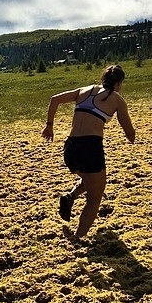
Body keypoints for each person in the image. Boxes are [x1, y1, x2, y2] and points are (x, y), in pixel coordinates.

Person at [42, 64, 135, 238]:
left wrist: (49, 126)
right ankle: (79, 238)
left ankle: (70, 197)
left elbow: (54, 99)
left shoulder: (85, 90)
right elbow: (129, 132)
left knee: (93, 180)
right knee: (95, 198)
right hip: (90, 147)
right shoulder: (117, 99)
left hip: (70, 147)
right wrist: (132, 138)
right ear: (119, 83)